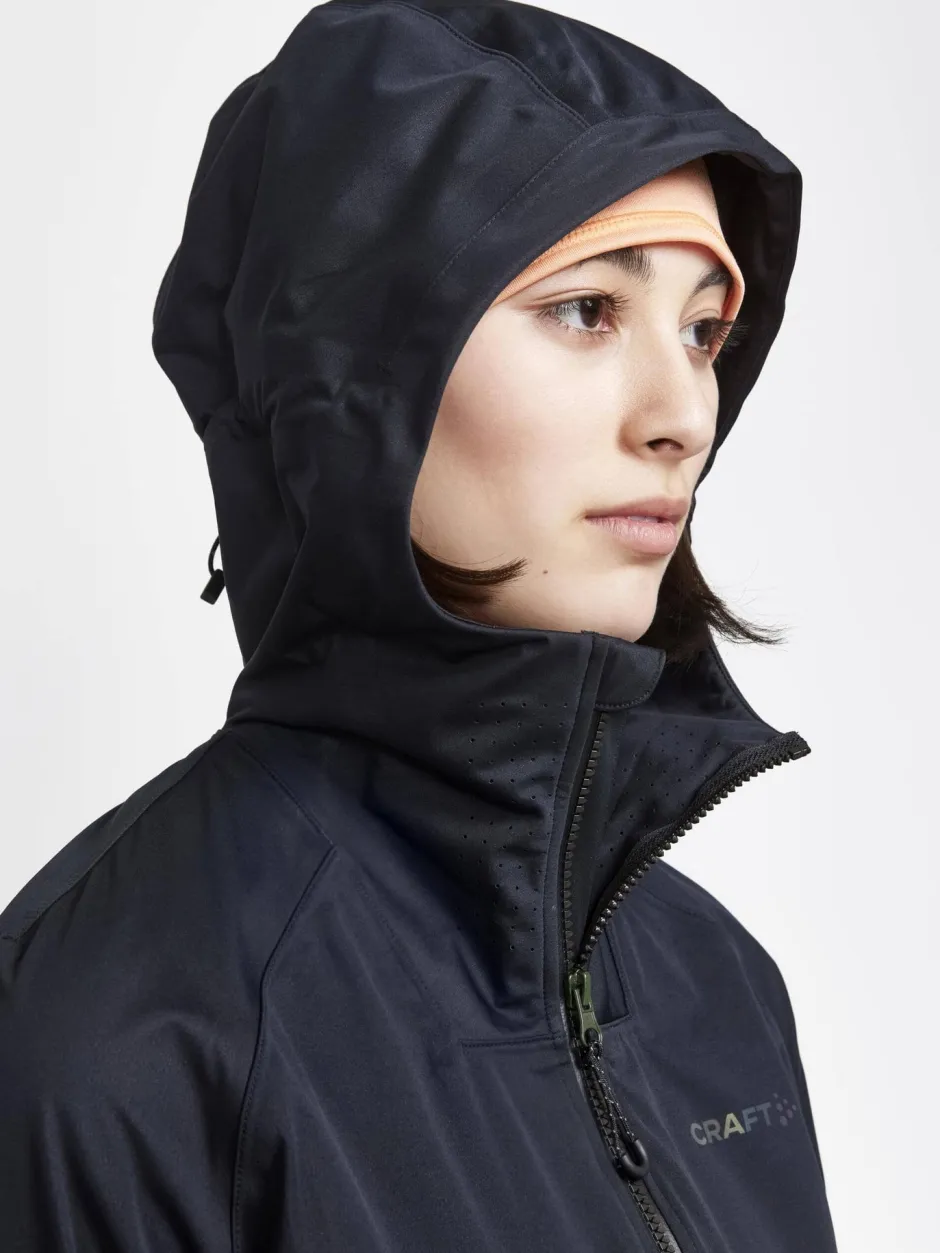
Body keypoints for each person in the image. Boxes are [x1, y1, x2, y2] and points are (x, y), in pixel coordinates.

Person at [0, 2, 840, 1250]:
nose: (683, 416)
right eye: (586, 310)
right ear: (353, 369)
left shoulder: (719, 981)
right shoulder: (114, 1033)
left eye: (703, 330)